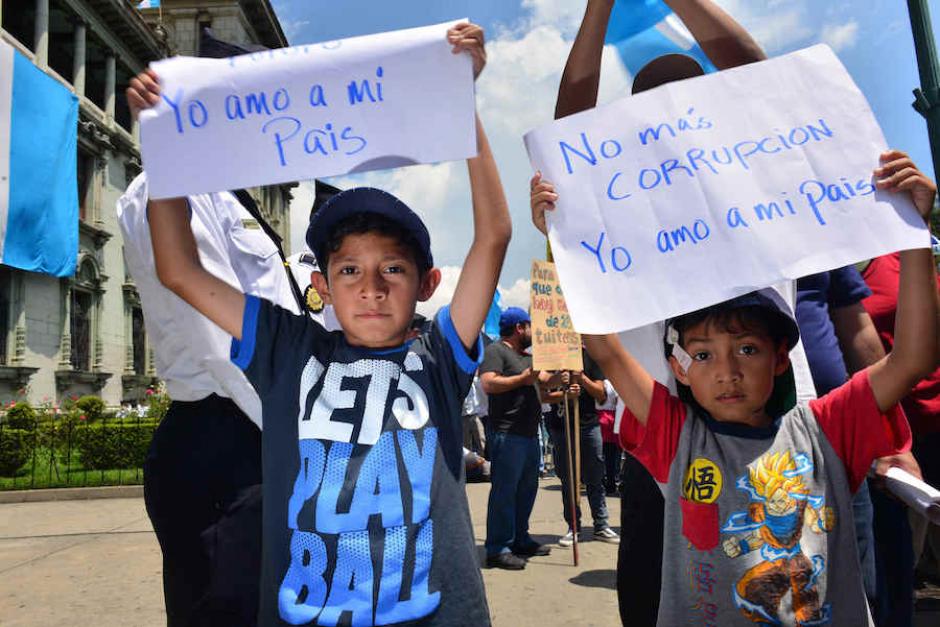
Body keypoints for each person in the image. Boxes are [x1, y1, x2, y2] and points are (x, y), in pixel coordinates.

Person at [129, 22, 509, 626]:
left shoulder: (438, 360)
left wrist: (462, 101)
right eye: (350, 270)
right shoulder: (287, 350)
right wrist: (165, 144)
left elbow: (494, 236)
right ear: (322, 286)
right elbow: (179, 269)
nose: (372, 287)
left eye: (393, 269)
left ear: (428, 284)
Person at [530, 149, 937, 625]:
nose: (727, 371)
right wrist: (563, 237)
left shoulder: (826, 429)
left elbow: (912, 358)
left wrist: (915, 235)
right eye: (703, 354)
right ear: (679, 368)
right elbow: (605, 346)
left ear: (781, 358)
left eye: (747, 348)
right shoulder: (676, 437)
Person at [551, 1, 767, 623]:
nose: (670, 112)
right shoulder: (619, 194)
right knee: (651, 597)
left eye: (688, 97)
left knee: (766, 589)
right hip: (659, 432)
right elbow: (569, 122)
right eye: (650, 104)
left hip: (761, 428)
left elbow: (754, 71)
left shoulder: (751, 171)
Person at [481, 307, 551, 569]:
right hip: (507, 433)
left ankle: (520, 538)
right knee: (505, 492)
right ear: (519, 327)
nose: (533, 331)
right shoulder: (496, 351)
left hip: (529, 433)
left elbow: (544, 381)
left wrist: (565, 376)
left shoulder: (527, 357)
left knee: (526, 490)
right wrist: (522, 379)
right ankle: (498, 548)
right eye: (530, 326)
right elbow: (488, 383)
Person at [539, 350, 620, 546]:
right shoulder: (551, 357)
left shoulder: (589, 357)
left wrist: (582, 378)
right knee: (568, 479)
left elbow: (601, 395)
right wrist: (563, 391)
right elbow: (542, 393)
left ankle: (601, 524)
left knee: (595, 477)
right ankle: (573, 527)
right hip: (561, 427)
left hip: (588, 425)